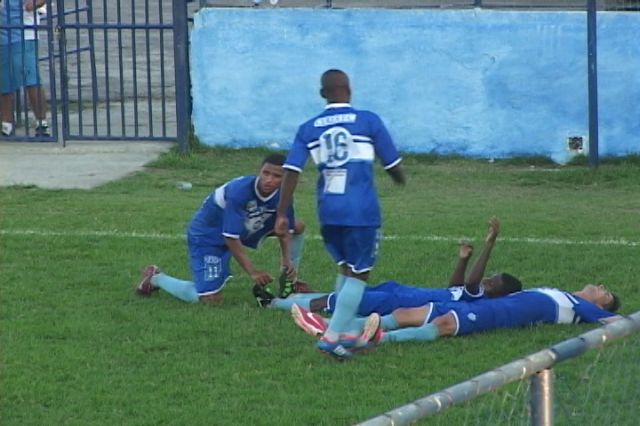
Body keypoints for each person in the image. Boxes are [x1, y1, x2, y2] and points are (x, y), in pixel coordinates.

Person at [275, 69, 406, 359]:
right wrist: (399, 177)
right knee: (361, 271)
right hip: (361, 209)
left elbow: (291, 171)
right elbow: (392, 162)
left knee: (346, 267)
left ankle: (346, 332)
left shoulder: (308, 127)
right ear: (349, 89)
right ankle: (331, 337)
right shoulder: (367, 120)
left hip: (329, 209)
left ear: (323, 94)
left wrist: (282, 212)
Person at [287, 217, 522, 337]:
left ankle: (280, 304)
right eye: (490, 277)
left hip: (404, 302)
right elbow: (455, 287)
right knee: (350, 294)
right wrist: (463, 259)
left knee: (343, 300)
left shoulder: (480, 301)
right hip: (402, 292)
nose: (486, 280)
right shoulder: (470, 295)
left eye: (492, 283)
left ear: (499, 296)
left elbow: (470, 284)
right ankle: (298, 299)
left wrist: (489, 245)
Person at [135, 153, 306, 305]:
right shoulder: (240, 192)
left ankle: (290, 282)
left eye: (277, 176)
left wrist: (286, 260)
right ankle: (155, 278)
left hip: (244, 224)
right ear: (258, 171)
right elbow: (230, 237)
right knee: (209, 299)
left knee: (297, 226)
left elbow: (285, 230)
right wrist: (253, 272)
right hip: (209, 234)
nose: (269, 179)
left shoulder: (284, 195)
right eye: (266, 173)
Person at [356, 283, 622, 350]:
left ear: (600, 306)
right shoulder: (566, 295)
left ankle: (381, 339)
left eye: (605, 293)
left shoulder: (581, 307)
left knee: (444, 325)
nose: (600, 287)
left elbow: (617, 322)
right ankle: (342, 326)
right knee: (405, 313)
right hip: (491, 304)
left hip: (500, 314)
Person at [0, 0, 50, 137]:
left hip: (24, 33)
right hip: (3, 34)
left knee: (30, 78)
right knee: (5, 81)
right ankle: (6, 124)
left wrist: (33, 5)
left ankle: (41, 122)